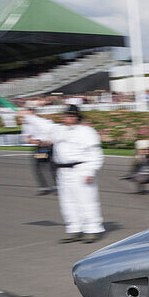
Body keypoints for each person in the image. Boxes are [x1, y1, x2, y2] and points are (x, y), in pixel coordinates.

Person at [48, 104, 105, 243]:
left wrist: (90, 170)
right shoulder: (59, 130)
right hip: (62, 170)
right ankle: (74, 229)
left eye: (72, 116)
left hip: (81, 169)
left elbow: (95, 153)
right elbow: (43, 128)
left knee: (87, 201)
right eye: (67, 115)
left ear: (77, 118)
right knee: (67, 202)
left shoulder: (86, 131)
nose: (69, 118)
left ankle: (92, 230)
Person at [20, 104, 55, 194]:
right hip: (40, 146)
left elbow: (53, 133)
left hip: (49, 146)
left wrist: (49, 141)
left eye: (31, 112)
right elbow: (27, 138)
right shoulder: (26, 125)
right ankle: (44, 187)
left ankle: (56, 186)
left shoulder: (44, 122)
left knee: (52, 167)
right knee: (38, 167)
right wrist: (38, 142)